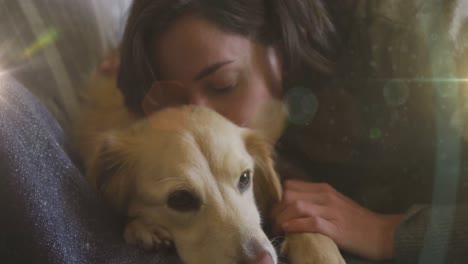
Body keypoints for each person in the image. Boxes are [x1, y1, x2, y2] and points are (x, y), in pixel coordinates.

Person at [100, 0, 468, 262]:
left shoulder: (425, 38)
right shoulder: (254, 133)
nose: (205, 123)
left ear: (279, 36)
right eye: (177, 105)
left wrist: (386, 232)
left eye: (224, 84)